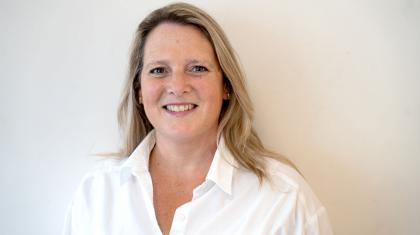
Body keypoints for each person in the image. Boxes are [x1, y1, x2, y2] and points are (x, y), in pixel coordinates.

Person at [63, 2, 333, 235]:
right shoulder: (96, 194)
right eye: (159, 70)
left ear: (226, 86)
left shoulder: (284, 200)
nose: (178, 86)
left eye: (197, 68)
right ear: (140, 92)